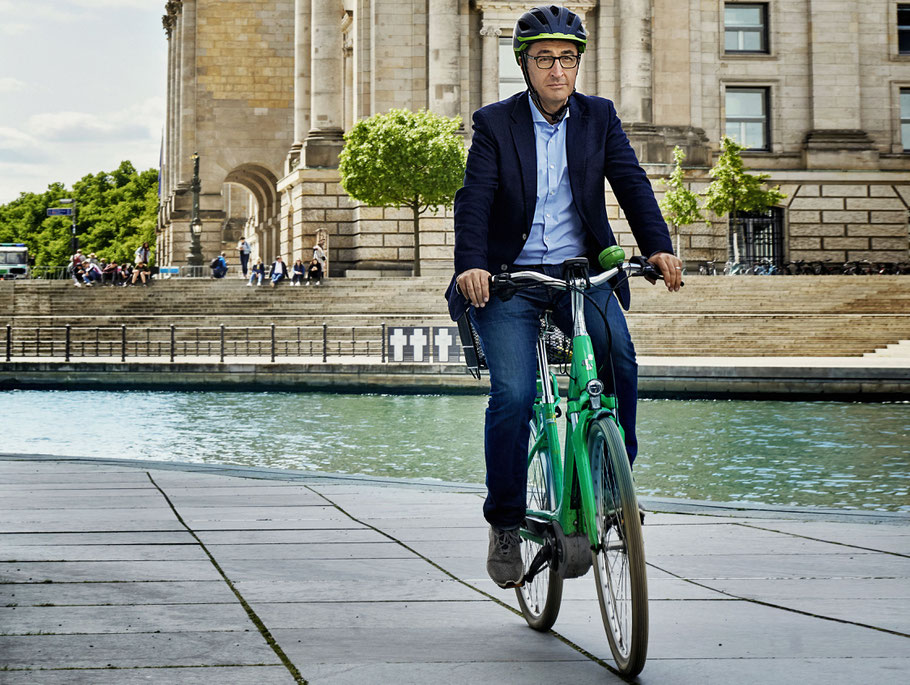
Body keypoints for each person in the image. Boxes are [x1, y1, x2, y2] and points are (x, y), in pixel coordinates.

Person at [445, 5, 683, 588]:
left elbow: (630, 180)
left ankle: (612, 489)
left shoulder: (599, 117)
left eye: (568, 59)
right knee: (515, 395)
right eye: (546, 59)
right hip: (511, 279)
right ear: (524, 64)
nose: (558, 70)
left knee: (620, 362)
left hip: (580, 275)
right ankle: (504, 525)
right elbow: (473, 199)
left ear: (579, 65)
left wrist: (658, 246)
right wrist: (472, 264)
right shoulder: (494, 123)